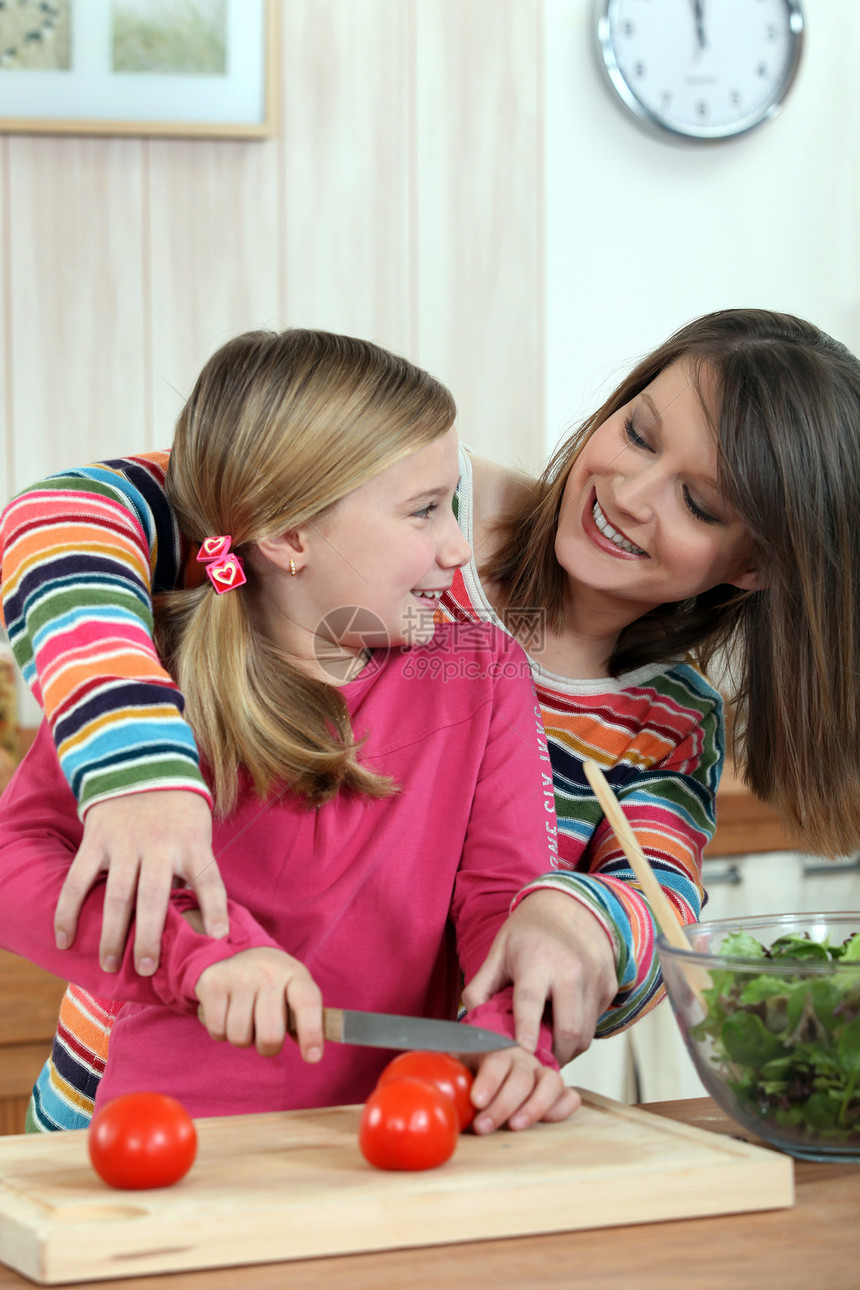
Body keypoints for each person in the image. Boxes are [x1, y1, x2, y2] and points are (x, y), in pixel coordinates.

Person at [6, 307, 860, 1116]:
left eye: (700, 503)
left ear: (756, 567)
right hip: (118, 1092)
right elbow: (67, 519)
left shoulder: (654, 714)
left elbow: (652, 895)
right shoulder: (386, 498)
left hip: (399, 1109)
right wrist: (136, 767)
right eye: (637, 432)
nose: (634, 493)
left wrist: (571, 923)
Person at [0, 328, 581, 1133]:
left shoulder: (483, 673)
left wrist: (510, 1038)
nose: (457, 546)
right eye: (422, 512)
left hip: (395, 1130)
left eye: (452, 503)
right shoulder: (155, 676)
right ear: (288, 537)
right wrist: (201, 961)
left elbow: (504, 897)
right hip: (170, 1137)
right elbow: (19, 862)